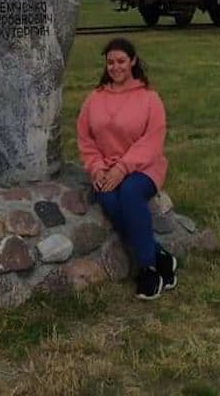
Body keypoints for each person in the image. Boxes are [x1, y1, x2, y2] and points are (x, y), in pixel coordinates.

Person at [76, 37, 177, 300]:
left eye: (121, 61)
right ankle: (159, 254)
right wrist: (97, 168)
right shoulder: (94, 99)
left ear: (132, 61)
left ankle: (148, 270)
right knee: (108, 197)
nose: (115, 67)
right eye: (110, 62)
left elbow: (153, 140)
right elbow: (85, 139)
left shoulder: (149, 98)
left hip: (143, 168)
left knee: (130, 192)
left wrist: (123, 168)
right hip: (107, 170)